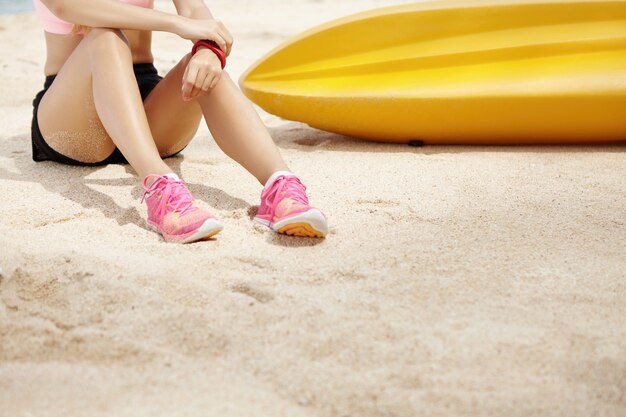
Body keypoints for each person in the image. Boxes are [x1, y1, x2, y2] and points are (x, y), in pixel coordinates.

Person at [31, 0, 329, 243]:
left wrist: (207, 49)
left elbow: (194, 10)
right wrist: (175, 24)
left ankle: (280, 187)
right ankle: (160, 187)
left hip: (146, 104)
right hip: (75, 111)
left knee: (202, 70)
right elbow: (66, 7)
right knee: (105, 36)